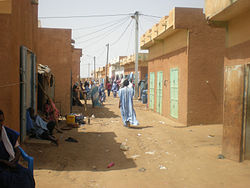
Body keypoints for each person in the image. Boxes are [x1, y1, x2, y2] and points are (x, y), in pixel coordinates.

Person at [0, 110, 35, 188]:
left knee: (26, 174)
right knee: (6, 179)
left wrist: (14, 161)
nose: (0, 123)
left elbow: (18, 150)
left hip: (10, 164)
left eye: (1, 121)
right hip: (2, 167)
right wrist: (4, 162)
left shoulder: (8, 133)